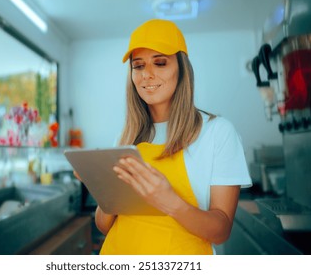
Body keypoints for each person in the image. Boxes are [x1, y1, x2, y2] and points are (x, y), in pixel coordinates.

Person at [93, 19, 252, 255]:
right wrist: (106, 189)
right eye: (138, 66)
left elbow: (221, 230)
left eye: (160, 63)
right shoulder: (125, 138)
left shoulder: (217, 132)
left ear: (182, 69)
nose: (147, 75)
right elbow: (104, 226)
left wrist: (169, 201)